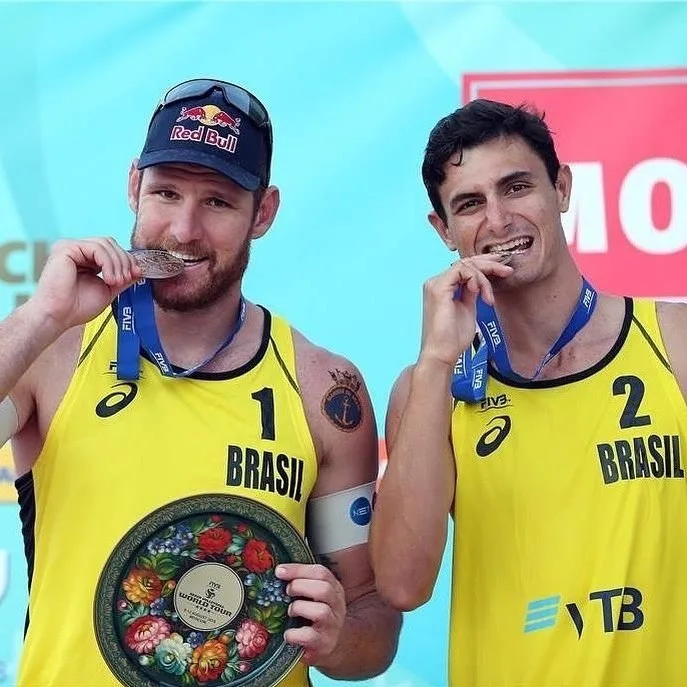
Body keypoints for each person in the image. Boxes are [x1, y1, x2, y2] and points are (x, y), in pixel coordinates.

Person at [2, 78, 401, 687]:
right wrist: (40, 315)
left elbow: (371, 618)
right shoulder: (54, 351)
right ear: (134, 185)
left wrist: (339, 635)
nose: (184, 230)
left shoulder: (325, 389)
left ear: (262, 212)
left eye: (217, 201)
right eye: (166, 193)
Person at [370, 98, 687, 686]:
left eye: (516, 188)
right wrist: (438, 359)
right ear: (443, 230)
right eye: (469, 204)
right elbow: (402, 584)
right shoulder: (427, 388)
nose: (498, 220)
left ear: (561, 188)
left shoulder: (672, 340)